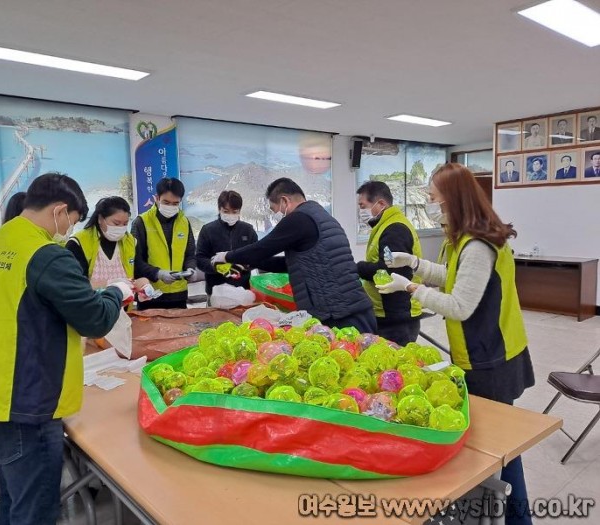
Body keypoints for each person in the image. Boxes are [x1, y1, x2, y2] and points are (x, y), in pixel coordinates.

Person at [0, 173, 134, 524]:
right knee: (35, 511)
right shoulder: (46, 255)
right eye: (73, 221)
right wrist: (117, 292)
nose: (68, 230)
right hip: (25, 403)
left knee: (15, 500)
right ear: (60, 211)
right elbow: (94, 320)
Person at [377, 163, 535, 525]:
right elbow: (455, 278)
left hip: (491, 359)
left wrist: (410, 288)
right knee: (499, 449)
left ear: (453, 199)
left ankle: (518, 518)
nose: (431, 204)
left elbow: (460, 306)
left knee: (500, 452)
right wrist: (414, 264)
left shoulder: (477, 245)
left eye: (434, 198)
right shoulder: (468, 239)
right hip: (488, 353)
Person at [211, 178, 377, 333]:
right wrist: (253, 264)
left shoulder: (299, 218)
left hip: (340, 315)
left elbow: (263, 247)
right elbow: (294, 264)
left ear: (284, 201)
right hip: (353, 309)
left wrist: (227, 256)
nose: (275, 216)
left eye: (273, 210)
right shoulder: (319, 216)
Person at [355, 181, 422, 346]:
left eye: (363, 206)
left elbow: (391, 272)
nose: (360, 211)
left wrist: (359, 268)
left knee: (393, 366)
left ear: (381, 204)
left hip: (396, 317)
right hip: (388, 312)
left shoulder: (394, 229)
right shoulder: (385, 225)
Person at [131, 177, 198, 309]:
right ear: (157, 198)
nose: (171, 207)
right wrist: (159, 274)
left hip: (179, 295)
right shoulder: (141, 222)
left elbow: (190, 254)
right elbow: (136, 262)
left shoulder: (184, 222)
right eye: (166, 202)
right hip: (150, 293)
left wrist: (191, 269)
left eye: (175, 204)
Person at [66, 196, 148, 292]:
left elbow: (137, 271)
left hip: (122, 305)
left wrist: (143, 283)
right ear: (100, 219)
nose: (120, 228)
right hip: (90, 305)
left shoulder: (130, 241)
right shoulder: (78, 242)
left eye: (125, 224)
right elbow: (74, 284)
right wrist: (109, 284)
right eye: (116, 223)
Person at [196, 190, 258, 297]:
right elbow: (200, 260)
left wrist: (243, 265)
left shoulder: (248, 230)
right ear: (219, 209)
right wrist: (217, 266)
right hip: (215, 291)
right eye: (226, 211)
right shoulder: (208, 230)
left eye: (234, 212)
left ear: (239, 211)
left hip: (242, 290)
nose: (230, 215)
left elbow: (257, 257)